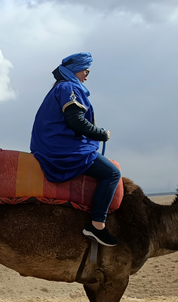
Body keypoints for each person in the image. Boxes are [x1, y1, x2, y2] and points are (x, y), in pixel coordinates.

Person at [30, 52, 121, 246]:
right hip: (61, 148)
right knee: (112, 174)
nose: (87, 76)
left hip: (49, 144)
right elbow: (75, 121)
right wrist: (101, 134)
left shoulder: (59, 88)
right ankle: (97, 226)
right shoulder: (69, 87)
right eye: (86, 71)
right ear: (76, 70)